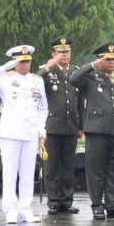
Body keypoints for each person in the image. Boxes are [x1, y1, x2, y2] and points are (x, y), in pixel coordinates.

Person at [0, 45, 48, 224]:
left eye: (27, 61)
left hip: (30, 133)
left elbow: (43, 107)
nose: (25, 64)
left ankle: (25, 209)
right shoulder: (5, 79)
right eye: (21, 61)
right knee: (10, 174)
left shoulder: (37, 81)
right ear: (14, 62)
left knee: (27, 174)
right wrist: (5, 67)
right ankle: (10, 210)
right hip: (10, 133)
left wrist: (41, 127)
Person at [69, 43, 114, 220]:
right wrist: (93, 65)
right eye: (108, 59)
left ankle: (112, 206)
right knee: (96, 171)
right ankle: (97, 205)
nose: (112, 62)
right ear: (99, 60)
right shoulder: (91, 76)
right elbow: (73, 79)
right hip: (97, 130)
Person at [37, 36, 84, 215]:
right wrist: (48, 66)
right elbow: (35, 80)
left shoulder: (76, 72)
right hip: (52, 125)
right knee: (52, 166)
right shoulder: (47, 71)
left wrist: (80, 125)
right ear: (53, 54)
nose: (64, 55)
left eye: (67, 52)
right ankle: (54, 201)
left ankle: (66, 201)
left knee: (68, 165)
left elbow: (80, 102)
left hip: (71, 125)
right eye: (60, 52)